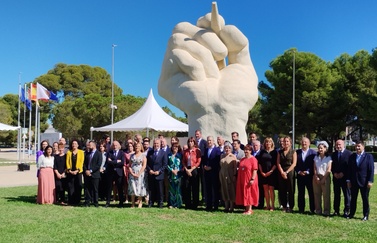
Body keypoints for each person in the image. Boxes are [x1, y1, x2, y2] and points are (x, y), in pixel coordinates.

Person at [347, 141, 374, 221]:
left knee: (365, 199)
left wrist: (370, 181)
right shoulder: (352, 156)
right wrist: (348, 180)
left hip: (364, 182)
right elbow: (349, 169)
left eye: (359, 146)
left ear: (363, 147)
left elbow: (371, 169)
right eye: (356, 146)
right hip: (354, 181)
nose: (357, 148)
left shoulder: (368, 156)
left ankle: (365, 215)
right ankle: (351, 214)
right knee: (353, 199)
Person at [235, 145, 259, 215]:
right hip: (242, 179)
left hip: (249, 179)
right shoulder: (242, 159)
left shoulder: (253, 159)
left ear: (250, 151)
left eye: (247, 150)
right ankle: (246, 208)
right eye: (245, 150)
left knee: (249, 193)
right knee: (244, 193)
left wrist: (252, 179)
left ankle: (250, 209)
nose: (246, 151)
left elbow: (255, 170)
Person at [331, 139, 352, 217]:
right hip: (336, 178)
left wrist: (343, 173)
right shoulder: (334, 154)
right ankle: (336, 210)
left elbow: (350, 167)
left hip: (345, 178)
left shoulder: (349, 154)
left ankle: (346, 210)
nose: (338, 146)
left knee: (346, 195)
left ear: (343, 145)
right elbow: (331, 166)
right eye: (337, 145)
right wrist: (334, 173)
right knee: (336, 194)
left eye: (340, 144)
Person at [295, 137, 316, 214]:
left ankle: (312, 209)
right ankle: (301, 208)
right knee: (301, 193)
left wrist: (308, 172)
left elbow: (314, 165)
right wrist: (299, 171)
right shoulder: (297, 152)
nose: (304, 144)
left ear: (309, 143)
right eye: (303, 142)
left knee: (311, 192)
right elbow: (295, 164)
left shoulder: (313, 153)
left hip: (309, 176)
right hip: (300, 176)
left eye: (306, 142)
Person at [276, 136, 297, 213]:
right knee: (282, 189)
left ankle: (291, 206)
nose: (286, 143)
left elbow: (294, 163)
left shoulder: (293, 152)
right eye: (284, 141)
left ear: (290, 143)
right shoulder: (280, 152)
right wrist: (282, 172)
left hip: (290, 172)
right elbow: (278, 163)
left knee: (291, 189)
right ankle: (284, 206)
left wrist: (287, 172)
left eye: (287, 141)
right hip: (281, 172)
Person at [146, 138, 168, 208]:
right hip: (151, 174)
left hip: (159, 174)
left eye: (157, 143)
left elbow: (165, 164)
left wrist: (159, 171)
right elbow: (146, 163)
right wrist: (149, 170)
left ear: (160, 144)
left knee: (160, 190)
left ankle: (160, 203)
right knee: (151, 189)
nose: (156, 145)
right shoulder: (150, 152)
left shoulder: (163, 153)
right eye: (155, 143)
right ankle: (151, 202)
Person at [313, 141, 332, 216]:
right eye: (319, 148)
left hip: (325, 177)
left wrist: (324, 179)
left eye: (321, 148)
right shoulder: (316, 157)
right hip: (316, 177)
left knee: (326, 195)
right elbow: (314, 167)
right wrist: (316, 176)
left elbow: (329, 169)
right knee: (317, 194)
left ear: (325, 149)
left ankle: (326, 211)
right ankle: (318, 210)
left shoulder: (328, 158)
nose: (320, 149)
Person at [258, 137, 277, 211]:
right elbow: (259, 163)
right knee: (265, 189)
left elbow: (276, 163)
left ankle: (272, 205)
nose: (268, 143)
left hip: (272, 173)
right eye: (266, 142)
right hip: (263, 173)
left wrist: (271, 171)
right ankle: (267, 205)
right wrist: (262, 172)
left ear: (272, 143)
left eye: (269, 142)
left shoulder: (274, 152)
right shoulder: (262, 152)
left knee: (271, 189)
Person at [182, 137, 202, 210]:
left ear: (194, 143)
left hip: (194, 169)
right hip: (187, 169)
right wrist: (187, 169)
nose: (190, 143)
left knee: (195, 187)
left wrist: (192, 169)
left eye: (192, 141)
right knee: (187, 187)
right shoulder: (186, 151)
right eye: (189, 142)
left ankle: (195, 204)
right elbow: (183, 161)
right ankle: (188, 204)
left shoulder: (197, 151)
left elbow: (198, 161)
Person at [203, 136, 221, 211]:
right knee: (208, 189)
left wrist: (211, 167)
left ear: (213, 141)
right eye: (208, 140)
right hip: (207, 173)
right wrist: (204, 166)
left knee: (215, 190)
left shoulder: (217, 150)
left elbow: (217, 161)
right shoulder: (206, 150)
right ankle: (209, 205)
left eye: (210, 140)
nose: (209, 142)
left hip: (214, 172)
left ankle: (215, 205)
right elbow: (204, 159)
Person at [105, 140, 125, 208]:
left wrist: (113, 161)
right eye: (113, 145)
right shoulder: (109, 153)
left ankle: (121, 203)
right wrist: (117, 161)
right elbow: (108, 162)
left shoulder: (122, 153)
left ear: (119, 146)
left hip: (119, 173)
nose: (115, 146)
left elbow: (122, 163)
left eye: (116, 145)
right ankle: (107, 202)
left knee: (119, 188)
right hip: (110, 172)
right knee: (109, 188)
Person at [83, 141, 102, 207]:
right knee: (87, 189)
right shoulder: (87, 154)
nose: (88, 146)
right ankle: (87, 201)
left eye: (89, 145)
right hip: (87, 174)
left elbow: (98, 165)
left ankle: (95, 202)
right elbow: (84, 163)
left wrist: (91, 171)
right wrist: (86, 171)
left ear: (94, 145)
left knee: (95, 189)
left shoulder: (99, 154)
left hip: (95, 174)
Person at [219, 141, 237, 212]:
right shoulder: (222, 156)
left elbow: (235, 167)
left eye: (229, 148)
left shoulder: (233, 156)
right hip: (222, 174)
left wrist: (234, 175)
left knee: (231, 189)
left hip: (230, 174)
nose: (227, 149)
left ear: (231, 149)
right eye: (226, 148)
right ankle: (226, 206)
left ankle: (231, 206)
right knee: (224, 189)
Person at [128, 142, 147, 208]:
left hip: (140, 173)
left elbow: (144, 165)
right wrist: (132, 173)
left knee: (139, 187)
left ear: (141, 147)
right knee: (132, 187)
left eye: (138, 146)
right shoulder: (132, 156)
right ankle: (132, 203)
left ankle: (140, 202)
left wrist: (139, 173)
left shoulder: (143, 155)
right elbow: (129, 165)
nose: (137, 147)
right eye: (136, 146)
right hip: (132, 173)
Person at [66, 139, 84, 205]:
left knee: (78, 186)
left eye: (75, 144)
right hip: (70, 172)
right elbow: (67, 162)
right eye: (73, 144)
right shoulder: (68, 152)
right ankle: (71, 200)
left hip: (78, 172)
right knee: (71, 186)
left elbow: (81, 162)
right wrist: (69, 170)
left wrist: (77, 170)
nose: (74, 145)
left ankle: (77, 200)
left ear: (78, 145)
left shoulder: (81, 152)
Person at [167, 143, 183, 208]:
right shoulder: (169, 155)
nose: (175, 148)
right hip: (171, 174)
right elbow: (167, 164)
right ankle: (171, 204)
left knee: (178, 190)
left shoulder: (180, 155)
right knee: (171, 190)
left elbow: (182, 164)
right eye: (174, 147)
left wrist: (177, 170)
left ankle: (177, 204)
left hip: (178, 175)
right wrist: (172, 170)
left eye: (176, 147)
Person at [195, 129, 207, 206]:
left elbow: (205, 153)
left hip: (202, 165)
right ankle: (196, 198)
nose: (197, 135)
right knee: (196, 182)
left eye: (198, 134)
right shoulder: (194, 142)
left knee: (203, 182)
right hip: (195, 166)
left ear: (201, 134)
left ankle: (204, 198)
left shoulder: (204, 142)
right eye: (196, 134)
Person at [252, 140, 264, 209]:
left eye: (256, 145)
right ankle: (254, 202)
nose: (255, 147)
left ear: (259, 146)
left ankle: (260, 203)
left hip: (260, 173)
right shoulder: (251, 153)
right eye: (254, 145)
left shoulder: (261, 153)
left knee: (260, 189)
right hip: (253, 174)